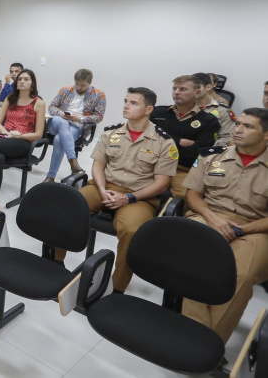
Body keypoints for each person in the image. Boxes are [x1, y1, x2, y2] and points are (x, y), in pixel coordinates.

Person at [54, 87, 177, 292]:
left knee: (132, 230)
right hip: (105, 187)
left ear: (149, 109)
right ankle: (56, 263)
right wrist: (102, 189)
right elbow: (98, 166)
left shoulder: (164, 142)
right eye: (126, 101)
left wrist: (129, 197)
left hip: (139, 197)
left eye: (133, 103)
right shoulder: (111, 133)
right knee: (68, 207)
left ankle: (117, 287)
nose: (126, 106)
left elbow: (162, 183)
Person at [182, 108, 268, 343]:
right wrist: (212, 218)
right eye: (238, 124)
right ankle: (194, 337)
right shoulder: (211, 156)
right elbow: (193, 195)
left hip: (255, 228)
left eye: (248, 126)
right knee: (195, 259)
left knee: (241, 276)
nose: (238, 130)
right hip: (209, 216)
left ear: (266, 134)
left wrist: (243, 230)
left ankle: (211, 343)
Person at [0, 69, 46, 213]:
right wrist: (7, 133)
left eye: (26, 79)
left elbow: (38, 134)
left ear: (32, 83)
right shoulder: (10, 98)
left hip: (24, 142)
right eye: (20, 79)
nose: (22, 81)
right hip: (5, 138)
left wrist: (18, 135)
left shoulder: (39, 103)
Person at [151, 75, 220, 197]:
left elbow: (196, 154)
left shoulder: (208, 121)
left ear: (197, 93)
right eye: (175, 88)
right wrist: (178, 141)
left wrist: (161, 145)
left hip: (182, 169)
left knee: (185, 197)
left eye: (183, 89)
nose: (177, 92)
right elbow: (146, 141)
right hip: (152, 165)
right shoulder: (157, 113)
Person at [45, 69, 107, 182]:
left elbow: (99, 117)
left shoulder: (99, 95)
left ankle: (50, 177)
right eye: (77, 84)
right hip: (57, 122)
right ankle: (73, 161)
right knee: (62, 122)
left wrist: (81, 119)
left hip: (76, 126)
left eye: (82, 85)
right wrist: (60, 113)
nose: (78, 87)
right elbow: (51, 107)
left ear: (90, 82)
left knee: (59, 139)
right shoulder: (65, 90)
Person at [193, 72, 235, 147]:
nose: (194, 90)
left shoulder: (223, 110)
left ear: (209, 87)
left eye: (197, 87)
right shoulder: (183, 107)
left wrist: (206, 147)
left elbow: (227, 137)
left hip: (209, 150)